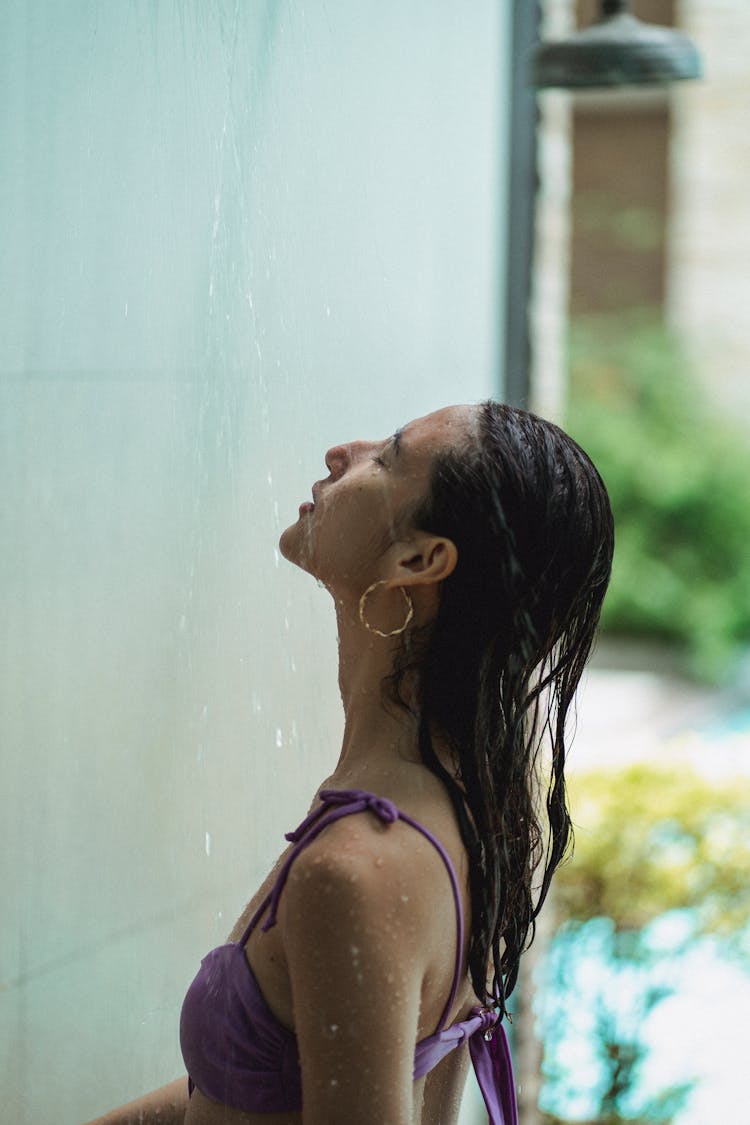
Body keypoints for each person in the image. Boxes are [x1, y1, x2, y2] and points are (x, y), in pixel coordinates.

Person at [86, 401, 614, 1125]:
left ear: (419, 560)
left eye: (389, 456)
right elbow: (283, 1084)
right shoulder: (478, 807)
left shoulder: (357, 869)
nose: (344, 451)